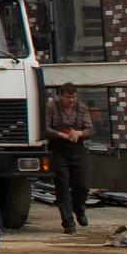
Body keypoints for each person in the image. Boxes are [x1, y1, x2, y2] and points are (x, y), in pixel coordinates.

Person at [45, 80, 95, 234]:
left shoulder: (81, 108)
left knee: (82, 185)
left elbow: (90, 129)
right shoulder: (51, 107)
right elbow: (45, 128)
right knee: (62, 187)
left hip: (77, 149)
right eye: (68, 97)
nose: (71, 101)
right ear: (61, 96)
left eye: (74, 97)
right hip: (58, 149)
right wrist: (60, 134)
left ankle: (79, 209)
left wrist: (79, 133)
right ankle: (68, 223)